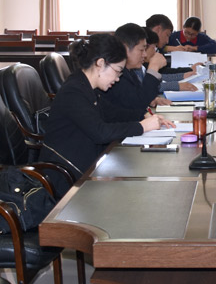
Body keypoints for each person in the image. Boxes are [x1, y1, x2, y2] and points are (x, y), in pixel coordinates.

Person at [39, 34, 173, 189]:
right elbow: (100, 132)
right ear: (101, 63)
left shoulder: (88, 86)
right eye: (118, 71)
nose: (117, 78)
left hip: (90, 164)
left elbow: (112, 113)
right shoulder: (73, 91)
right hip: (68, 176)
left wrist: (143, 115)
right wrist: (142, 126)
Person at [102, 23, 167, 115]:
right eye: (141, 50)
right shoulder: (115, 75)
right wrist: (153, 68)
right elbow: (138, 105)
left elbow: (138, 97)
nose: (145, 55)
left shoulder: (130, 71)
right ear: (125, 48)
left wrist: (152, 100)